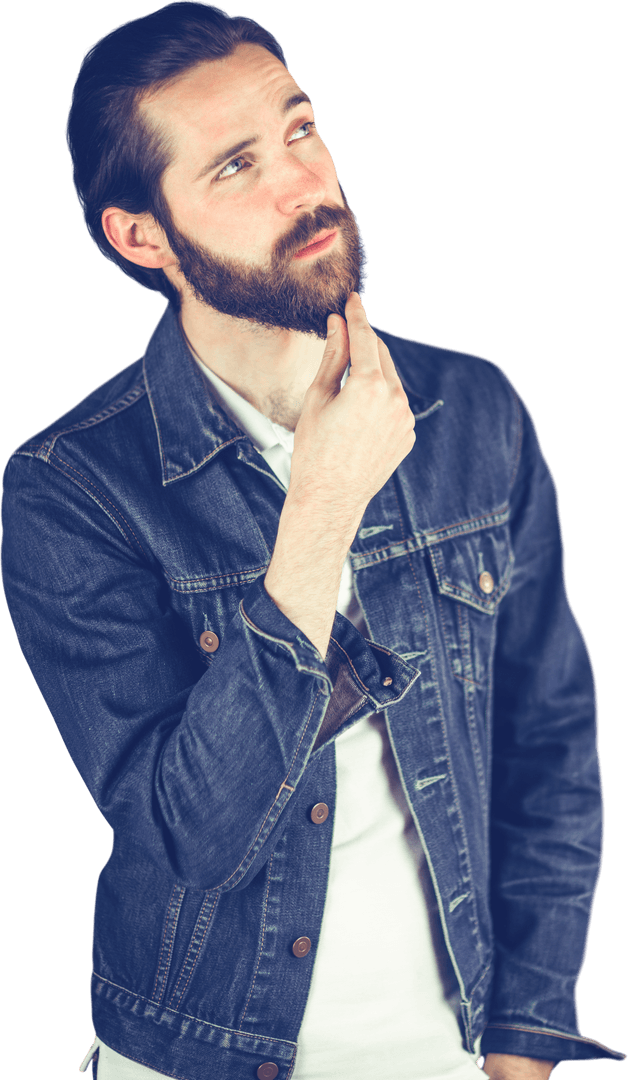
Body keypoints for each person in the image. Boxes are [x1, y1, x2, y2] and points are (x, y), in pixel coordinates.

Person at [1, 3, 624, 1079]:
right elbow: (195, 841)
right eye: (234, 166)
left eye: (299, 130)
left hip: (451, 1053)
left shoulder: (475, 409)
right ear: (142, 235)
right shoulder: (70, 489)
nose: (304, 183)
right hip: (192, 1056)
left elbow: (550, 744)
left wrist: (524, 1044)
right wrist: (320, 513)